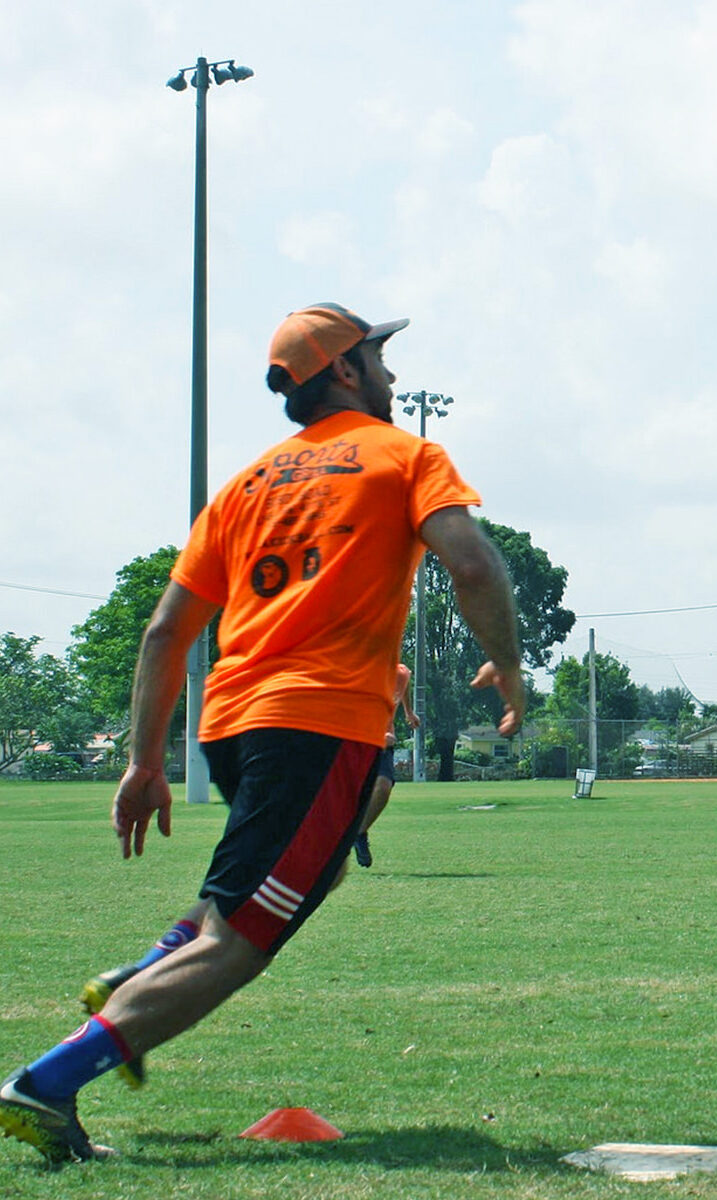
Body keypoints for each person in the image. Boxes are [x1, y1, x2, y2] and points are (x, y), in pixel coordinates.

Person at [0, 302, 526, 1164]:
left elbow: (167, 631)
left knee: (277, 886)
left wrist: (143, 763)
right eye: (380, 360)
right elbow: (470, 562)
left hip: (231, 725)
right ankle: (47, 1084)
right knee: (242, 944)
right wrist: (507, 663)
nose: (393, 377)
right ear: (347, 371)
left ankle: (144, 972)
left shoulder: (245, 485)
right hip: (317, 724)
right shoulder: (406, 455)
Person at [353, 661, 421, 868]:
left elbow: (405, 683)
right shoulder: (359, 674)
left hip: (384, 743)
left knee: (383, 788)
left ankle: (360, 833)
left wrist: (409, 711)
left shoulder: (401, 673)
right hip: (355, 740)